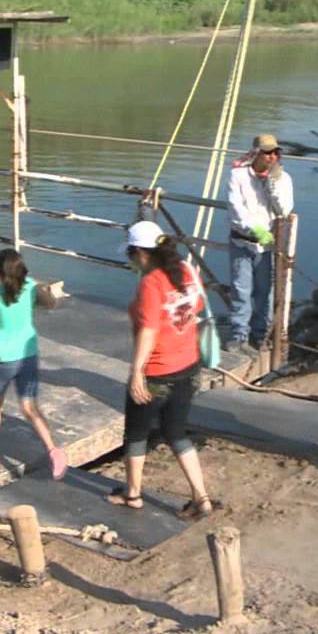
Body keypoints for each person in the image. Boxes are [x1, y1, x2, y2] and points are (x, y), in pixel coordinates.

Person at [108, 220, 215, 520]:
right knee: (177, 432)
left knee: (136, 434)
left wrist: (138, 372)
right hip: (188, 365)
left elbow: (148, 331)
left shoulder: (150, 284)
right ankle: (201, 498)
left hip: (158, 369)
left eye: (131, 255)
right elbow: (195, 309)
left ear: (141, 254)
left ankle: (133, 494)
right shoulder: (188, 270)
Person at [0, 248, 67, 479]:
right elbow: (51, 304)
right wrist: (45, 290)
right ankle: (53, 450)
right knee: (29, 407)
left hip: (3, 358)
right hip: (28, 354)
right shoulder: (31, 286)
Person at [224, 133, 294, 353]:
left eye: (275, 152)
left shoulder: (284, 179)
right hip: (242, 241)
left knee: (265, 291)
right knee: (240, 289)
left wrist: (272, 184)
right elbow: (235, 207)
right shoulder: (238, 176)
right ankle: (239, 334)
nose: (272, 157)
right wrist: (252, 228)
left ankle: (261, 334)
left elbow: (283, 210)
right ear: (256, 153)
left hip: (268, 246)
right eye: (267, 152)